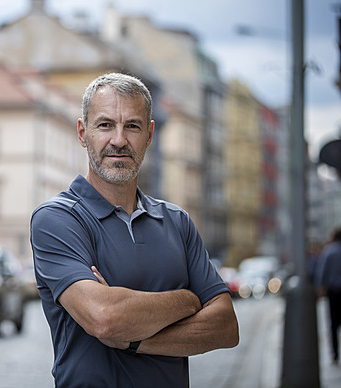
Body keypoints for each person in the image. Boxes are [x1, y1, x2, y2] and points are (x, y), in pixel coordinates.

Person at [30, 72, 239, 387]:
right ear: (82, 132)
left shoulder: (177, 222)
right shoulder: (57, 219)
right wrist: (186, 300)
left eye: (132, 126)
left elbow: (226, 327)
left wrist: (133, 340)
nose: (118, 140)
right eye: (105, 125)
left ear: (150, 134)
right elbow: (104, 318)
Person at [315, 226, 341, 363]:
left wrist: (321, 289)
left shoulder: (329, 251)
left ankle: (335, 353)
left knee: (333, 323)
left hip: (333, 292)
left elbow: (322, 272)